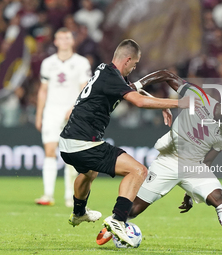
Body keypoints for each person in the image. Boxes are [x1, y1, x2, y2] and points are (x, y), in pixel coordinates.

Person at [96, 71, 222, 253]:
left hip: (194, 166)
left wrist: (192, 193)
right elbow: (167, 74)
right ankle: (113, 224)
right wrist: (138, 85)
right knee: (134, 209)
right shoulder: (200, 98)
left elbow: (207, 161)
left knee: (221, 199)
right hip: (168, 161)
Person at [58, 39, 194, 247]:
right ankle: (118, 220)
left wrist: (160, 106)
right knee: (138, 171)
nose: (135, 67)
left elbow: (131, 88)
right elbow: (138, 101)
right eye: (135, 64)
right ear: (128, 59)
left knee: (88, 172)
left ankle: (78, 213)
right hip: (84, 142)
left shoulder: (105, 70)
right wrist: (179, 103)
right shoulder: (112, 76)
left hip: (68, 142)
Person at [35, 27, 91, 207]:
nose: (64, 41)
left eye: (68, 38)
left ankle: (70, 196)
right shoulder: (48, 63)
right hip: (51, 111)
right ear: (55, 41)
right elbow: (43, 90)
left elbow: (85, 89)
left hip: (72, 112)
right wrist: (39, 114)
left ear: (72, 41)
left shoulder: (81, 63)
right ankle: (48, 195)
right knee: (49, 151)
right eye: (61, 38)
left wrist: (76, 108)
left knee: (71, 155)